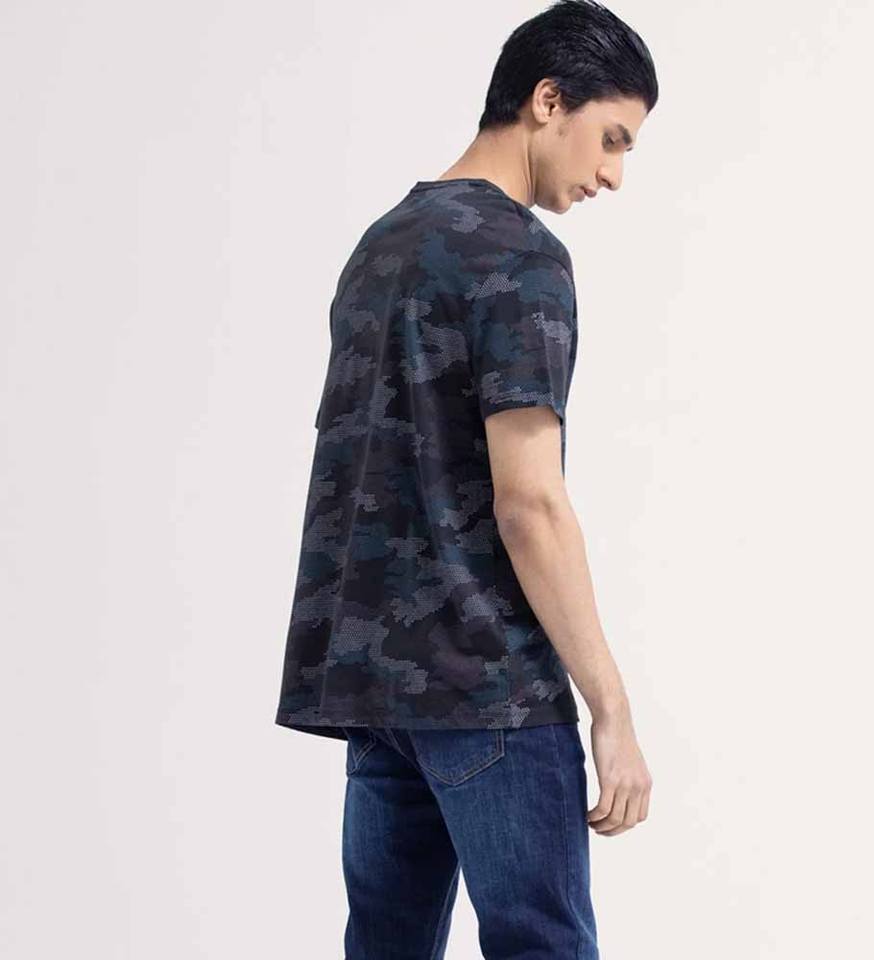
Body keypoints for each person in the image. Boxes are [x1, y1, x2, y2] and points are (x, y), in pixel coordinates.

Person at [274, 2, 658, 956]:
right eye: (612, 139)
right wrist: (610, 707)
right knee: (542, 945)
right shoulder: (522, 258)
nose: (613, 174)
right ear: (547, 100)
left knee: (387, 944)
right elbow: (530, 503)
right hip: (489, 690)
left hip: (378, 692)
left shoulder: (379, 248)